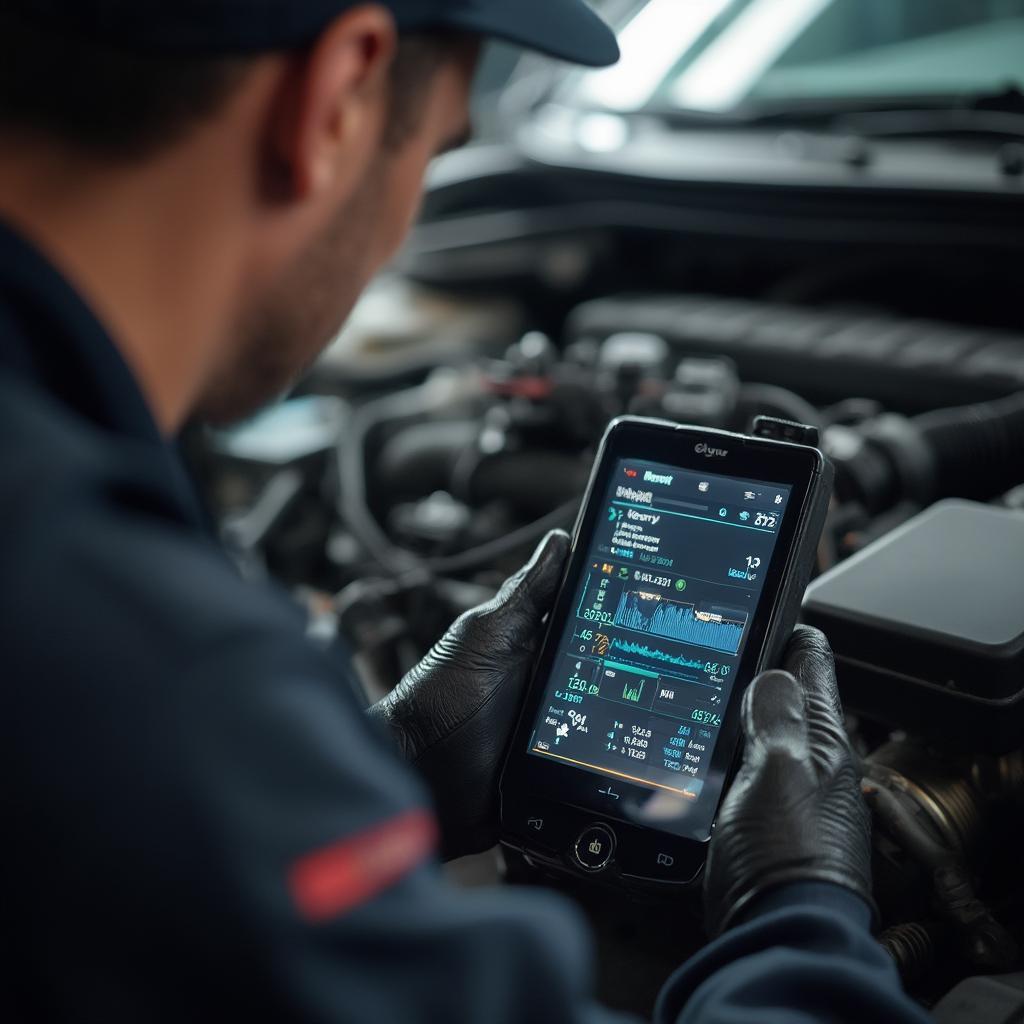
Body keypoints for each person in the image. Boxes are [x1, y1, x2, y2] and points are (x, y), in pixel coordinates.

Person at [0, 2, 932, 1021]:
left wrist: (374, 766)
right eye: (442, 150)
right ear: (339, 95)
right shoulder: (155, 663)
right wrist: (797, 908)